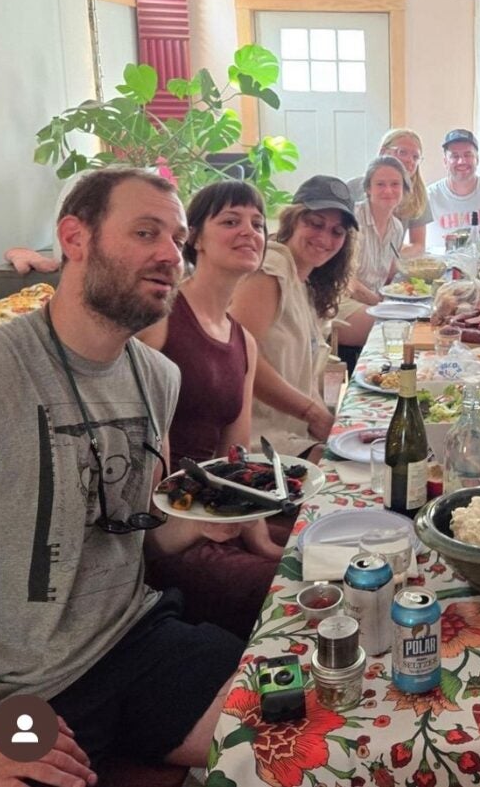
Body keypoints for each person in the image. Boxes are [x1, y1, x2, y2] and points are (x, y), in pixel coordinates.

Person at [0, 168, 245, 784]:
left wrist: (205, 523)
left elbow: (141, 532)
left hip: (134, 640)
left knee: (303, 720)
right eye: (145, 232)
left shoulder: (158, 377)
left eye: (177, 239)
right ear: (74, 238)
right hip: (9, 695)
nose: (170, 255)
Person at [139, 180, 289, 640]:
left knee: (335, 544)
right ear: (195, 239)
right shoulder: (161, 319)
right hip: (167, 536)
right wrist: (198, 525)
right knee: (300, 592)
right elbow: (137, 458)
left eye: (258, 224)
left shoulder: (243, 340)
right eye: (230, 221)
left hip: (219, 516)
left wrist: (259, 537)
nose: (249, 231)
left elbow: (235, 459)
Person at [230, 175, 357, 461]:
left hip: (294, 433)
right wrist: (313, 414)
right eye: (315, 223)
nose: (325, 238)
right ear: (292, 219)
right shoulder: (271, 269)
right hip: (259, 441)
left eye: (337, 231)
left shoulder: (306, 280)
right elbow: (240, 357)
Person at [336, 156, 412, 350]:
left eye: (395, 184)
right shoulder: (352, 220)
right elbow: (346, 279)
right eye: (380, 184)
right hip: (340, 301)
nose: (388, 190)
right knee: (392, 329)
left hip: (373, 303)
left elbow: (388, 276)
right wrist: (380, 303)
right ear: (368, 189)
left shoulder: (396, 227)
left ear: (404, 189)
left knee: (418, 321)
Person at [347, 128, 432, 258]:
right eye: (402, 152)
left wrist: (387, 257)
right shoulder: (352, 189)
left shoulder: (417, 196)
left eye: (415, 157)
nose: (410, 160)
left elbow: (418, 245)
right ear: (383, 152)